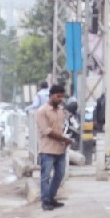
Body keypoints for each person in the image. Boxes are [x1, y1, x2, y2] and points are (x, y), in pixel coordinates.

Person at [35, 83, 71, 211]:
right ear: (50, 96)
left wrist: (65, 139)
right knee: (45, 176)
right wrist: (64, 139)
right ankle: (45, 201)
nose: (59, 99)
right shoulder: (42, 112)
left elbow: (62, 128)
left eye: (61, 97)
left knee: (60, 174)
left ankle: (51, 197)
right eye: (57, 96)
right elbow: (47, 131)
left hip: (60, 149)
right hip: (47, 149)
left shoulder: (60, 111)